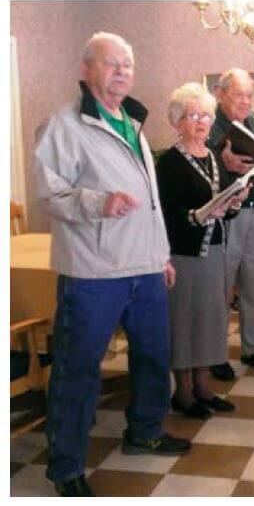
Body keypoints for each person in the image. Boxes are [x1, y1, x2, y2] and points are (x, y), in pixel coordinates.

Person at [34, 32, 190, 497]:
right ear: (86, 70)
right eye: (110, 63)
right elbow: (49, 193)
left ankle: (144, 430)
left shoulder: (132, 122)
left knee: (153, 357)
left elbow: (154, 203)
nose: (121, 71)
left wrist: (160, 254)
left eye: (128, 64)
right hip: (92, 271)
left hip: (144, 267)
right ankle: (65, 466)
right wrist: (98, 203)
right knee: (78, 369)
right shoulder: (62, 124)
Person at [157, 83, 245, 419]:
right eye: (192, 116)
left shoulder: (212, 157)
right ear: (177, 122)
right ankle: (184, 392)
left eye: (205, 116)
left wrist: (233, 202)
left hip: (216, 253)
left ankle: (205, 387)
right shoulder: (169, 162)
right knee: (184, 322)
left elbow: (221, 203)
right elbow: (166, 212)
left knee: (211, 320)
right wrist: (197, 215)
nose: (201, 122)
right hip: (184, 255)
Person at [206, 68, 254, 380]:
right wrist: (225, 165)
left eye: (250, 95)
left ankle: (253, 347)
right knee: (222, 286)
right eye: (239, 94)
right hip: (228, 214)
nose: (246, 101)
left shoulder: (252, 124)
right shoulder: (208, 125)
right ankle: (214, 353)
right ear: (220, 94)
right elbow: (201, 170)